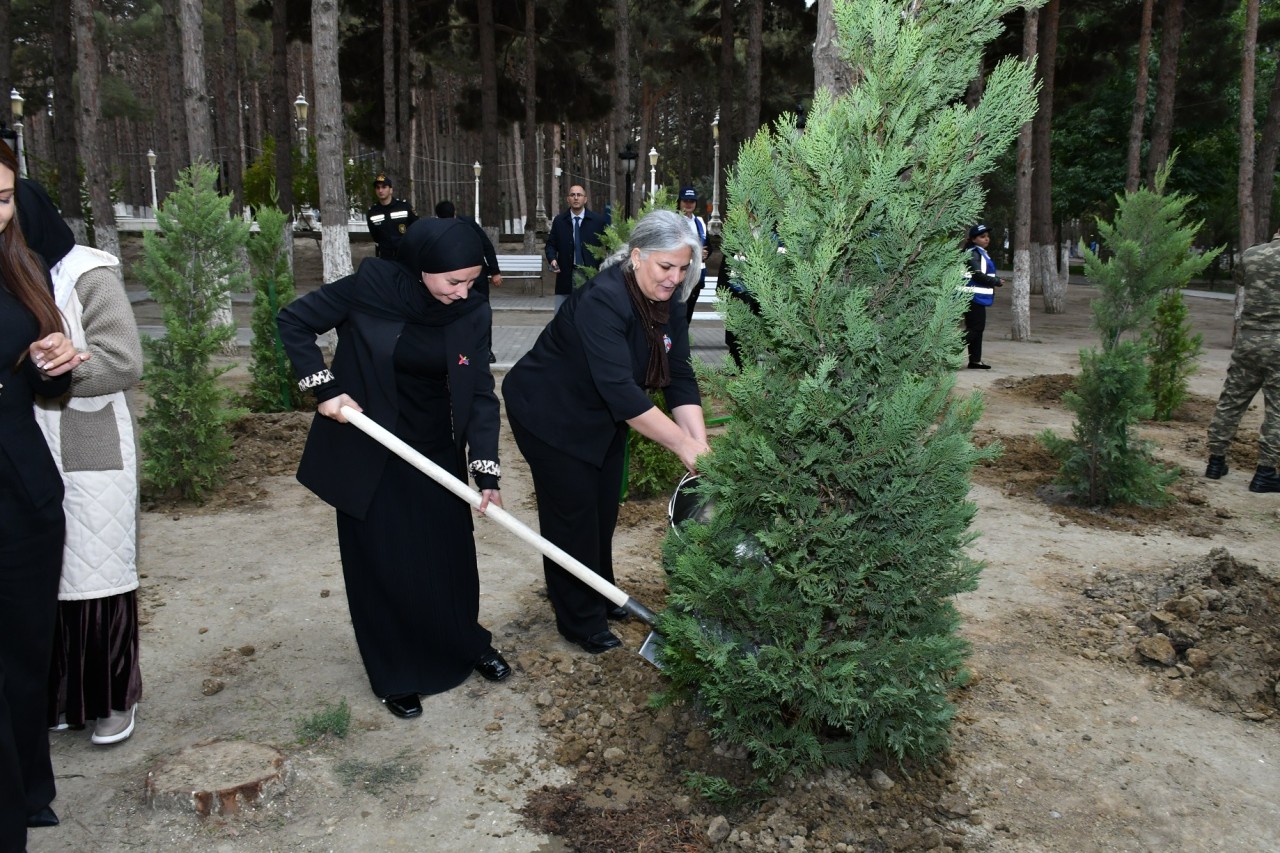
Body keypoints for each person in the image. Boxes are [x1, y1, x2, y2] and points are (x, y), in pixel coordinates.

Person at [277, 217, 511, 721]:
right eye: (454, 281)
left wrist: (486, 470)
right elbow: (293, 321)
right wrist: (323, 387)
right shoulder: (370, 288)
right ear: (422, 268)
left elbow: (480, 393)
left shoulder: (470, 311)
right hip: (370, 450)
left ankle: (464, 644)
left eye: (472, 281)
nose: (464, 292)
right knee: (384, 565)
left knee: (449, 559)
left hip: (435, 450)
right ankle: (395, 671)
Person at [504, 209, 710, 654]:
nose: (675, 277)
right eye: (666, 266)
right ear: (637, 256)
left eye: (683, 267)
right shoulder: (605, 299)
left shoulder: (668, 301)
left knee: (601, 510)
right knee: (572, 515)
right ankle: (578, 620)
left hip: (602, 415)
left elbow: (681, 375)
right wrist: (681, 446)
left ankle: (601, 590)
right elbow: (623, 393)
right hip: (551, 414)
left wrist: (701, 446)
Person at [18, 179, 145, 747]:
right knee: (42, 576)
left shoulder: (88, 274)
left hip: (85, 440)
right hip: (22, 444)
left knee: (96, 572)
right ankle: (60, 696)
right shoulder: (10, 274)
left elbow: (123, 361)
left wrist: (53, 375)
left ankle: (111, 699)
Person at [0, 141, 89, 848]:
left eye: (2, 199)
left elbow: (41, 387)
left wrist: (52, 363)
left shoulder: (17, 267)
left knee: (26, 650)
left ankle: (31, 784)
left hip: (23, 490)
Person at [1204, 229, 1280, 493]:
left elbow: (1240, 279)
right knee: (1277, 410)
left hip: (1248, 340)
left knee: (1232, 400)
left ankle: (1215, 461)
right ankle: (1265, 472)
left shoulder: (1251, 254)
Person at [544, 185, 606, 312]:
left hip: (590, 275)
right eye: (572, 195)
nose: (576, 198)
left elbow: (609, 245)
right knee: (562, 316)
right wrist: (552, 259)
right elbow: (550, 245)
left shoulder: (598, 221)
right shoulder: (560, 221)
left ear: (585, 199)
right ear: (568, 199)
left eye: (579, 195)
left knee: (588, 314)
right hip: (566, 274)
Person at [434, 200, 502, 293]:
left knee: (481, 304)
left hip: (475, 277)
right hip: (453, 279)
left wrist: (495, 272)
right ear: (455, 211)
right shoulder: (436, 229)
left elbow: (486, 246)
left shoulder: (468, 224)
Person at [960, 223, 1003, 369]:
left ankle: (975, 361)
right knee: (976, 329)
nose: (986, 239)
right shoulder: (973, 253)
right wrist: (996, 281)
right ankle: (949, 346)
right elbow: (977, 275)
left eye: (987, 236)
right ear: (973, 239)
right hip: (972, 297)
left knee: (977, 329)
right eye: (982, 236)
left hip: (976, 296)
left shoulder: (979, 252)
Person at [366, 173, 418, 261]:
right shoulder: (373, 212)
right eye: (378, 188)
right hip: (386, 256)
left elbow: (416, 227)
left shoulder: (404, 207)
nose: (380, 190)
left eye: (384, 187)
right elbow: (375, 236)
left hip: (406, 254)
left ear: (391, 190)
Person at [677, 186, 710, 324]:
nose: (689, 204)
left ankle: (683, 343)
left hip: (697, 276)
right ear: (679, 202)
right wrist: (694, 254)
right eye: (685, 201)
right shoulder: (674, 220)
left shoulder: (700, 221)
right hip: (679, 276)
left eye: (692, 201)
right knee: (678, 314)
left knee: (688, 314)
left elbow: (708, 246)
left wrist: (705, 254)